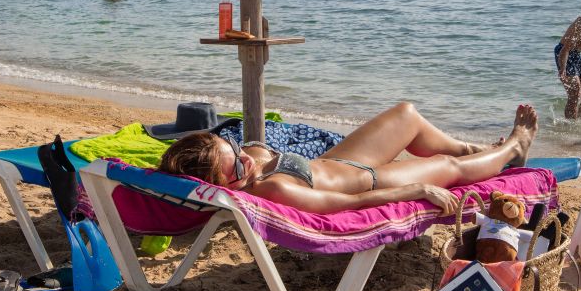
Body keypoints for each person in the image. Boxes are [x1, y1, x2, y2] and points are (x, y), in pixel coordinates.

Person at [158, 102, 539, 215]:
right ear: (223, 186)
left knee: (406, 114)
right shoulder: (273, 191)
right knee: (450, 170)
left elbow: (245, 159)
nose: (247, 159)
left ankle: (470, 148)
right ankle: (512, 150)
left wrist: (250, 155)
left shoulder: (250, 170)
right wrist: (418, 189)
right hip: (371, 180)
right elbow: (350, 202)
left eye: (237, 148)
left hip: (338, 159)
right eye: (238, 166)